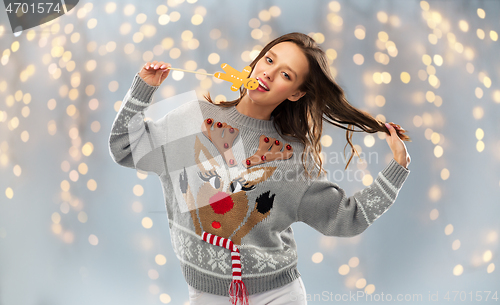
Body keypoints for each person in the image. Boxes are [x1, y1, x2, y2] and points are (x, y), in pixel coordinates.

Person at [108, 32, 411, 305]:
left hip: (277, 296)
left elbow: (347, 218)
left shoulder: (294, 157)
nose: (268, 72)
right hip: (204, 295)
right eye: (268, 59)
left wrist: (397, 169)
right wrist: (141, 92)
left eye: (285, 74)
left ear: (295, 93)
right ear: (254, 63)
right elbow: (125, 147)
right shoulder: (192, 119)